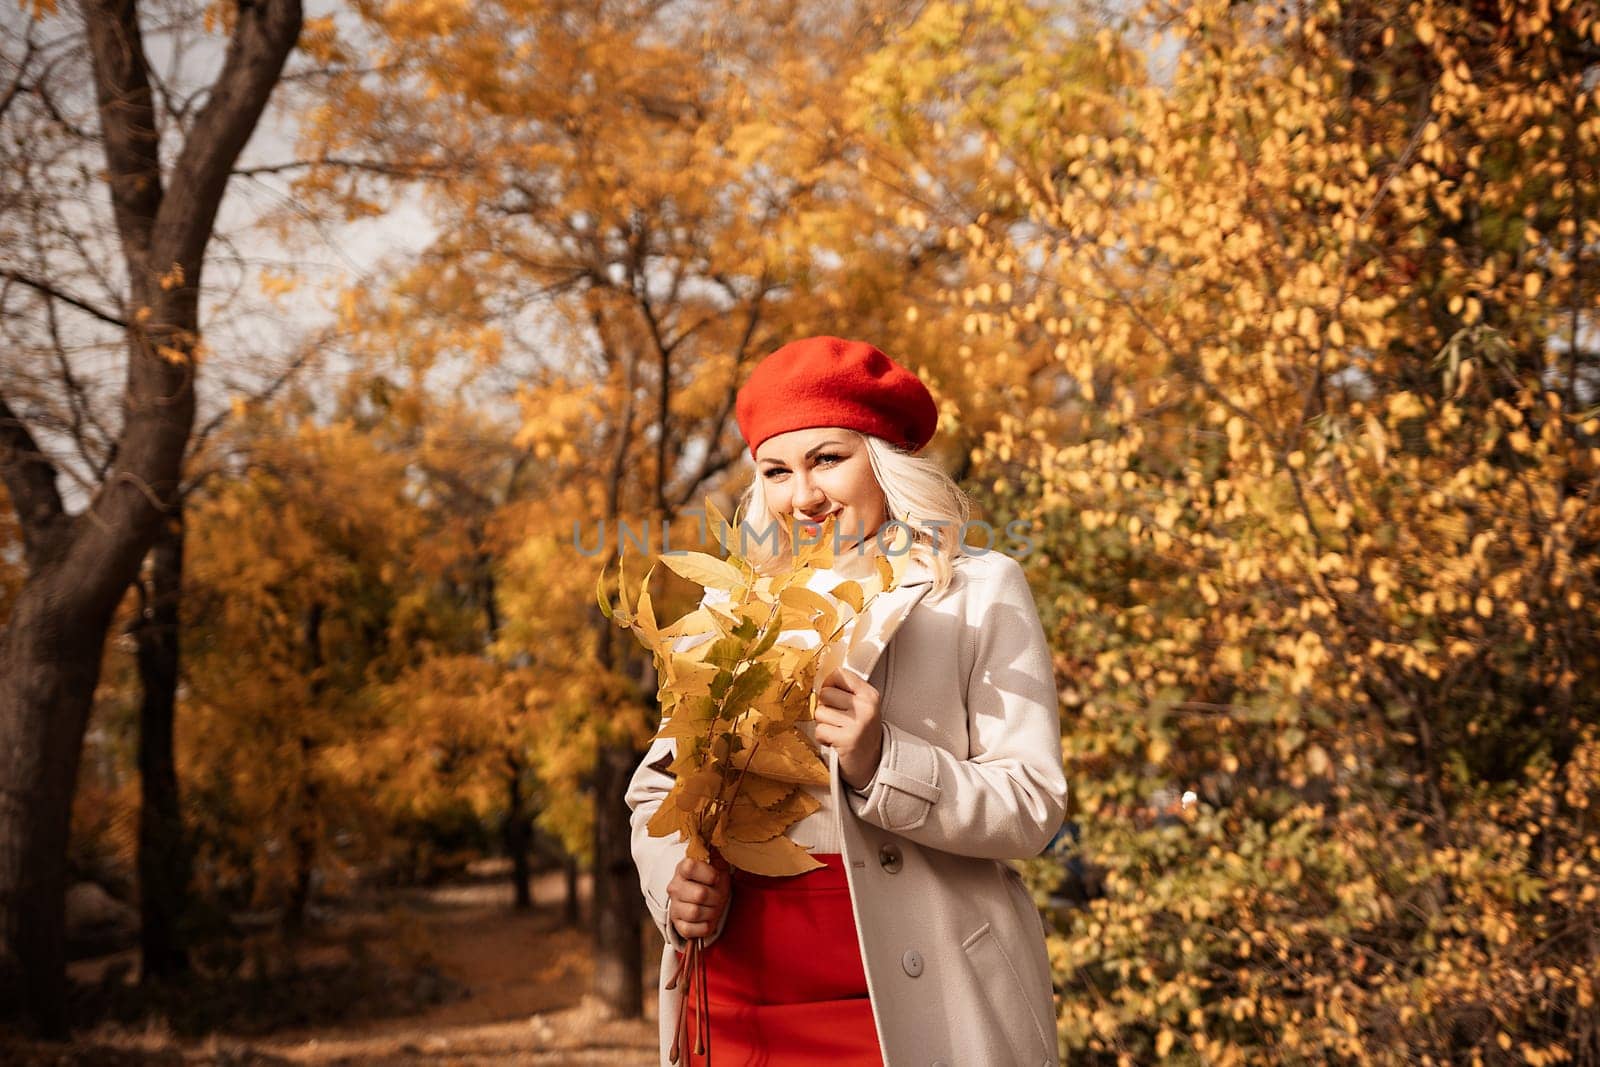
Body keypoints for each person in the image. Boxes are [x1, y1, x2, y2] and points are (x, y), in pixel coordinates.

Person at [625, 335, 1068, 1066]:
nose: (803, 495)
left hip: (904, 995)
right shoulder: (733, 606)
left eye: (828, 459)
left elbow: (1031, 804)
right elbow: (657, 790)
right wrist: (672, 880)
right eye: (776, 470)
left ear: (884, 457)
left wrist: (882, 761)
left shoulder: (976, 588)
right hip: (736, 991)